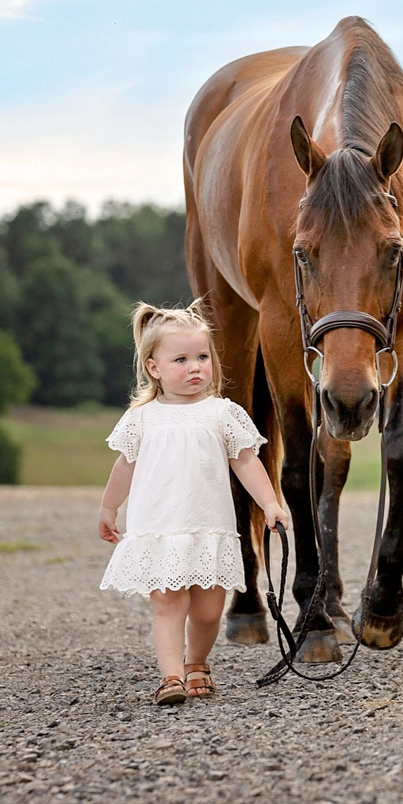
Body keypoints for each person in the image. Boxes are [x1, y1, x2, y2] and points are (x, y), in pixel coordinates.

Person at [98, 301, 288, 705]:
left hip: (208, 529)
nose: (195, 367)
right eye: (181, 360)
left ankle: (196, 662)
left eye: (202, 357)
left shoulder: (222, 413)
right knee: (168, 604)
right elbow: (125, 465)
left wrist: (270, 503)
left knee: (207, 612)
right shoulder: (142, 418)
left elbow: (246, 461)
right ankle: (171, 678)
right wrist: (109, 508)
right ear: (154, 368)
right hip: (160, 530)